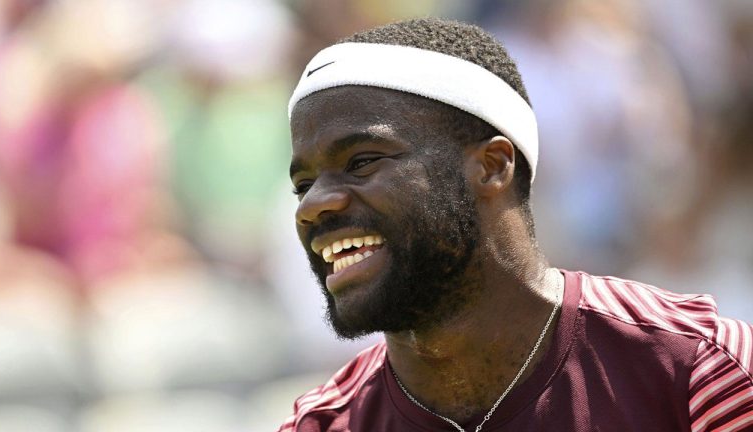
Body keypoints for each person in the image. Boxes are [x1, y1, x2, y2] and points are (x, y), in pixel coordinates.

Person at [280, 18, 753, 431]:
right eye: (303, 185)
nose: (312, 206)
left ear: (492, 166)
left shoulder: (697, 369)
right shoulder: (320, 425)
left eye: (361, 161)